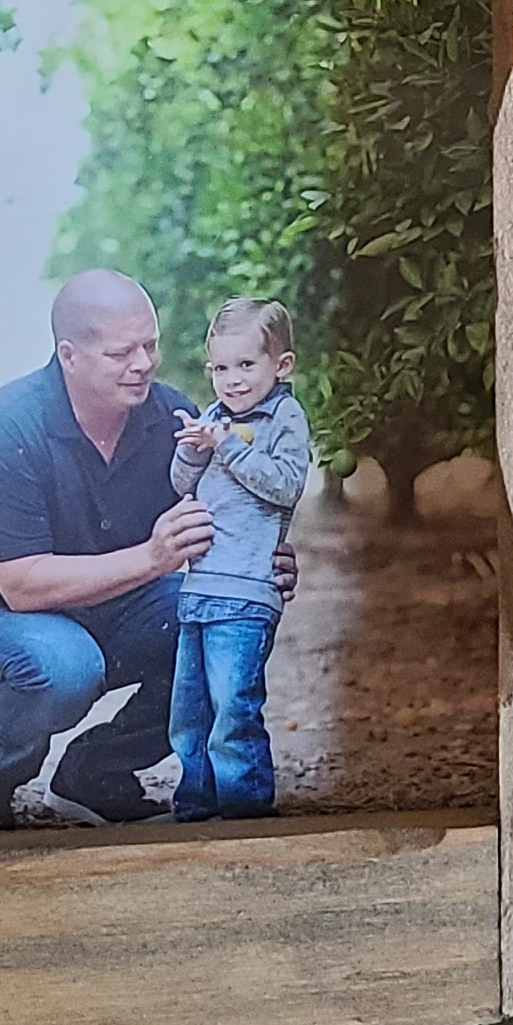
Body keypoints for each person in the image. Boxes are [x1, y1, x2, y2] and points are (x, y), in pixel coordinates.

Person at [0, 272, 216, 831]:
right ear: (68, 356)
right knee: (62, 666)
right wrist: (152, 558)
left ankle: (94, 776)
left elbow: (215, 524)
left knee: (225, 618)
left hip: (109, 606)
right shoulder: (4, 427)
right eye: (121, 353)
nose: (143, 364)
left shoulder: (172, 419)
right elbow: (21, 586)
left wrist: (258, 565)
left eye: (149, 345)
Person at [167, 298, 314, 822]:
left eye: (246, 365)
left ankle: (243, 809)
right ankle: (196, 805)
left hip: (248, 588)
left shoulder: (284, 418)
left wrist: (227, 446)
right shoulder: (214, 417)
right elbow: (180, 485)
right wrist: (193, 449)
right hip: (200, 587)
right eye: (220, 368)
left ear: (282, 364)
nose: (231, 380)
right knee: (190, 711)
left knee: (233, 705)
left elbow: (286, 485)